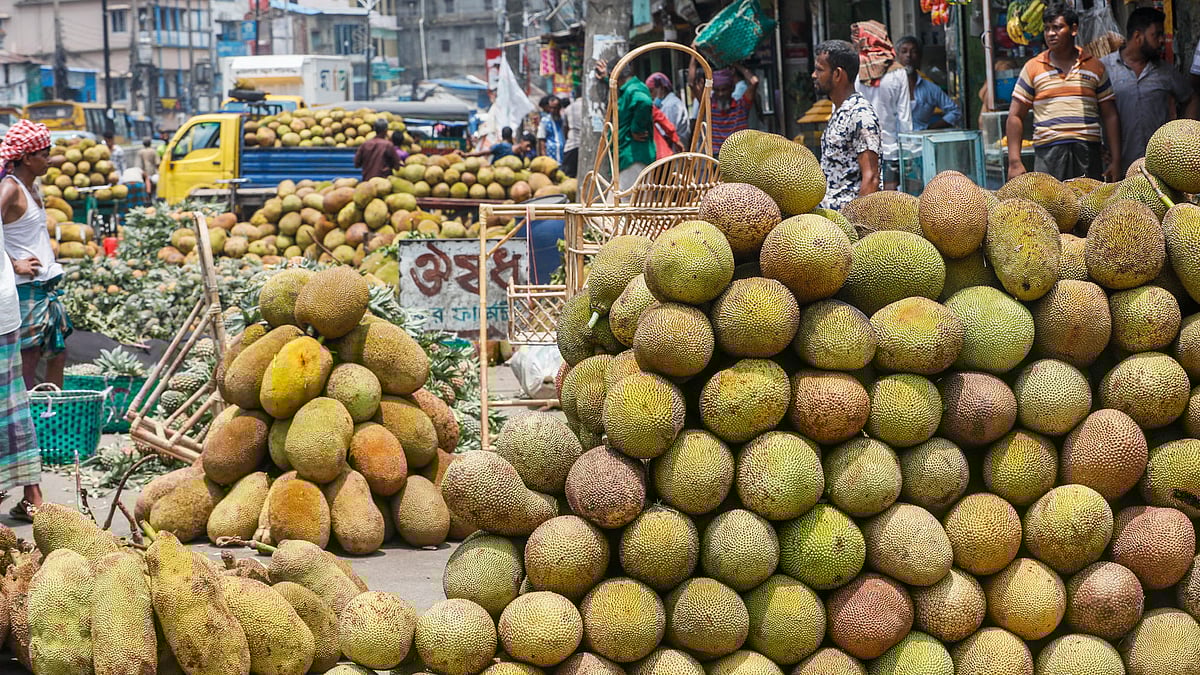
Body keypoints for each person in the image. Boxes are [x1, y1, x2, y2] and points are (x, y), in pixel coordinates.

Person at [0, 120, 57, 520]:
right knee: (12, 398)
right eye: (43, 152)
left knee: (13, 397)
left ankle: (30, 492)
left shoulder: (27, 188)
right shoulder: (8, 188)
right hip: (9, 298)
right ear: (24, 156)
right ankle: (31, 494)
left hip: (10, 306)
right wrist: (14, 262)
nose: (49, 159)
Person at [1007, 3, 1121, 181]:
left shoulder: (1094, 66)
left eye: (1057, 27)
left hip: (1087, 151)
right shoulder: (1033, 67)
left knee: (1088, 205)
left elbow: (1110, 115)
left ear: (1073, 29)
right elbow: (1015, 116)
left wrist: (1116, 159)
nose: (1051, 33)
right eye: (1047, 29)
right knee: (1050, 206)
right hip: (1048, 153)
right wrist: (1014, 161)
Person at [1101, 8, 1192, 174]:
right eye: (1156, 35)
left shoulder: (1166, 71)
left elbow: (1191, 98)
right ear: (1137, 36)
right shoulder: (1104, 68)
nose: (1161, 40)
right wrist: (1098, 147)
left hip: (1160, 166)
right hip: (1119, 166)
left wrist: (1186, 139)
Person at [812, 39, 882, 210]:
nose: (814, 75)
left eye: (819, 70)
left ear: (837, 74)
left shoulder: (860, 115)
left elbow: (871, 177)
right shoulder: (839, 110)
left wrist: (855, 224)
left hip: (847, 220)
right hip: (830, 219)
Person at [851, 21, 912, 190]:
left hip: (859, 149)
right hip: (890, 150)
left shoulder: (854, 70)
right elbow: (904, 118)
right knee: (889, 205)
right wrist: (908, 153)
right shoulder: (898, 72)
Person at [596, 58, 655, 189]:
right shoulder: (627, 90)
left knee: (625, 203)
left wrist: (636, 129)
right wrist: (607, 78)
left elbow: (643, 102)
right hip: (627, 157)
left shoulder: (634, 89)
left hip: (633, 157)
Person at [689, 60, 759, 156]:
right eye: (717, 90)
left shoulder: (741, 106)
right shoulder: (709, 107)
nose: (720, 94)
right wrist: (694, 55)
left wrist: (735, 62)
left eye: (724, 89)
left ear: (731, 89)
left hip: (740, 157)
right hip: (717, 158)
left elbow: (754, 82)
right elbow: (691, 84)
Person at [896, 36, 962, 130]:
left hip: (921, 142)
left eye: (913, 51)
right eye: (904, 51)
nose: (908, 55)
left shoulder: (930, 88)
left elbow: (955, 111)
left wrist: (931, 128)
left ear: (920, 57)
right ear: (897, 56)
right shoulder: (887, 86)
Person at [647, 72, 691, 150]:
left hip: (673, 152)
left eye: (651, 91)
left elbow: (667, 135)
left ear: (662, 88)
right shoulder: (665, 104)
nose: (651, 95)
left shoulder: (670, 105)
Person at [537, 95, 565, 163]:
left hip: (563, 154)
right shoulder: (545, 121)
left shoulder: (563, 119)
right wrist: (544, 155)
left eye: (555, 108)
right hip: (551, 155)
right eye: (551, 108)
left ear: (559, 108)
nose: (552, 110)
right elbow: (541, 139)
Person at [562, 96, 582, 177]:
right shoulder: (594, 106)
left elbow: (565, 128)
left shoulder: (569, 108)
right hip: (591, 147)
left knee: (568, 176)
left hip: (572, 145)